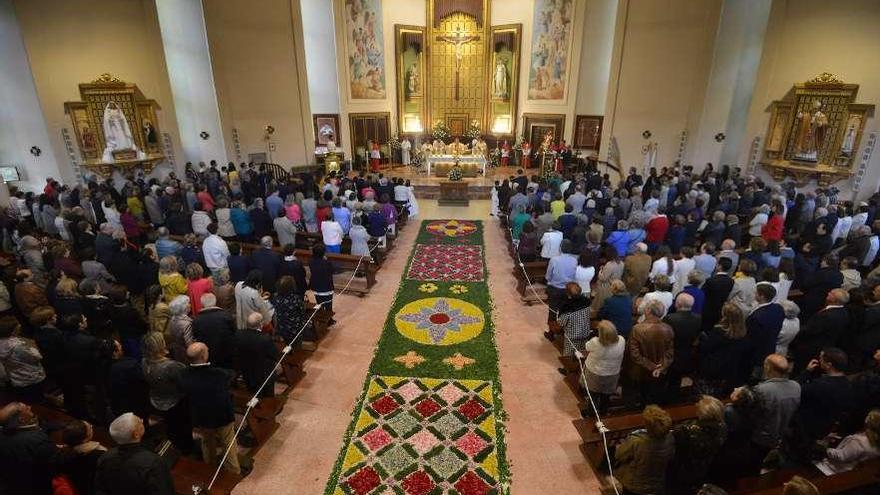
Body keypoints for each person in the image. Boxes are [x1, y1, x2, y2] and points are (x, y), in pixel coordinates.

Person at [784, 347, 855, 462]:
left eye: (821, 359)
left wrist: (806, 372)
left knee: (791, 455)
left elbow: (794, 390)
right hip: (823, 428)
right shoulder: (848, 385)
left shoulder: (819, 386)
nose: (818, 360)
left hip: (803, 427)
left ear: (829, 365)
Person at [179, 342, 240, 474]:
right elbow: (232, 376)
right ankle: (233, 471)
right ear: (203, 356)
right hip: (222, 415)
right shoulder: (219, 374)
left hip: (201, 415)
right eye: (207, 350)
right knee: (228, 443)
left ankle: (209, 468)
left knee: (207, 442)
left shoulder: (183, 375)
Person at [94, 412, 175, 495]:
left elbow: (100, 489)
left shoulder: (104, 458)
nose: (142, 421)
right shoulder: (153, 463)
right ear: (136, 434)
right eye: (139, 421)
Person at [141, 332, 194, 455]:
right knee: (183, 428)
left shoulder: (144, 361)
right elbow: (185, 384)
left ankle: (173, 443)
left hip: (157, 399)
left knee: (171, 425)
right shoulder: (172, 367)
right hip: (176, 402)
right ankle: (186, 450)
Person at [748, 354, 801, 474]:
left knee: (752, 466)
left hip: (760, 437)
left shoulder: (762, 390)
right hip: (781, 435)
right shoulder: (796, 386)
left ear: (768, 368)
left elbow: (751, 413)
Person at [670, 396, 728, 493]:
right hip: (705, 467)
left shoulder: (686, 430)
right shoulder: (723, 427)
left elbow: (677, 448)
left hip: (684, 469)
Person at [614, 405, 675, 495]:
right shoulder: (670, 438)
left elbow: (619, 455)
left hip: (635, 484)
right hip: (657, 482)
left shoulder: (637, 441)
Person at [0, 402, 59, 495]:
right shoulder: (37, 440)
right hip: (38, 485)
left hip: (14, 483)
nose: (29, 406)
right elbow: (55, 464)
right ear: (22, 419)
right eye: (26, 408)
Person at [626, 300, 674, 406]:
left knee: (643, 397)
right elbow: (670, 352)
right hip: (660, 371)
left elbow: (634, 355)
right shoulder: (668, 328)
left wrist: (652, 366)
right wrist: (660, 367)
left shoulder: (637, 329)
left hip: (642, 372)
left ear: (648, 311)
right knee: (655, 396)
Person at [696, 302, 749, 397]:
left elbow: (706, 347)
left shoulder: (719, 332)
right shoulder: (743, 332)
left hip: (713, 369)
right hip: (730, 370)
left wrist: (702, 339)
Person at [792, 288, 850, 372]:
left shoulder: (827, 316)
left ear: (835, 300)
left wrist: (795, 329)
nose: (828, 293)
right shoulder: (844, 312)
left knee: (801, 367)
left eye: (831, 293)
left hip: (811, 347)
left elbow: (809, 330)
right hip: (825, 345)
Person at [580, 320, 625, 417]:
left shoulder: (595, 342)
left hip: (595, 373)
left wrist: (595, 336)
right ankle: (604, 412)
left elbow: (586, 347)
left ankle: (591, 413)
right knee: (606, 395)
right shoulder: (621, 340)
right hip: (612, 373)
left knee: (593, 395)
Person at [663, 294, 702, 401]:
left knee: (670, 381)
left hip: (672, 354)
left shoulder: (670, 318)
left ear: (678, 304)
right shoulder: (698, 318)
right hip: (689, 354)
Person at [0, 315, 46, 403]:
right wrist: (33, 349)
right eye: (18, 325)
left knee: (27, 400)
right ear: (13, 330)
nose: (20, 325)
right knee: (37, 400)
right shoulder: (17, 347)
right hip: (31, 377)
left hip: (16, 378)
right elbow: (35, 358)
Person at [744, 283, 786, 380]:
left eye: (756, 293)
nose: (754, 295)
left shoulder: (756, 317)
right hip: (770, 346)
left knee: (751, 375)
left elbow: (751, 339)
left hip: (755, 353)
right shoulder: (778, 309)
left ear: (762, 296)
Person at [236, 312, 281, 397]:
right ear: (260, 324)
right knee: (267, 395)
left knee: (252, 392)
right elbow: (274, 355)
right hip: (264, 373)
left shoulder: (238, 334)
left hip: (247, 370)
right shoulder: (265, 339)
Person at [59, 419, 107, 495]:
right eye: (90, 427)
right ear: (85, 438)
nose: (91, 427)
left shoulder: (62, 453)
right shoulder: (98, 455)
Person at [192, 293, 237, 370]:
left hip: (208, 355)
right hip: (226, 353)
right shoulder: (226, 316)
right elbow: (234, 332)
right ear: (215, 302)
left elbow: (195, 336)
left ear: (202, 304)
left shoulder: (196, 320)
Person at [701, 257, 734, 332]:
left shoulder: (711, 280)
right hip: (721, 310)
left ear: (719, 266)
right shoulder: (731, 281)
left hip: (708, 310)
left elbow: (703, 293)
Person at [309, 244, 336, 319]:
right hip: (327, 287)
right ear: (323, 253)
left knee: (319, 303)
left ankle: (321, 318)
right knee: (328, 305)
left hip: (316, 286)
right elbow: (333, 270)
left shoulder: (311, 262)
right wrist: (326, 260)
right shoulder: (327, 263)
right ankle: (329, 320)